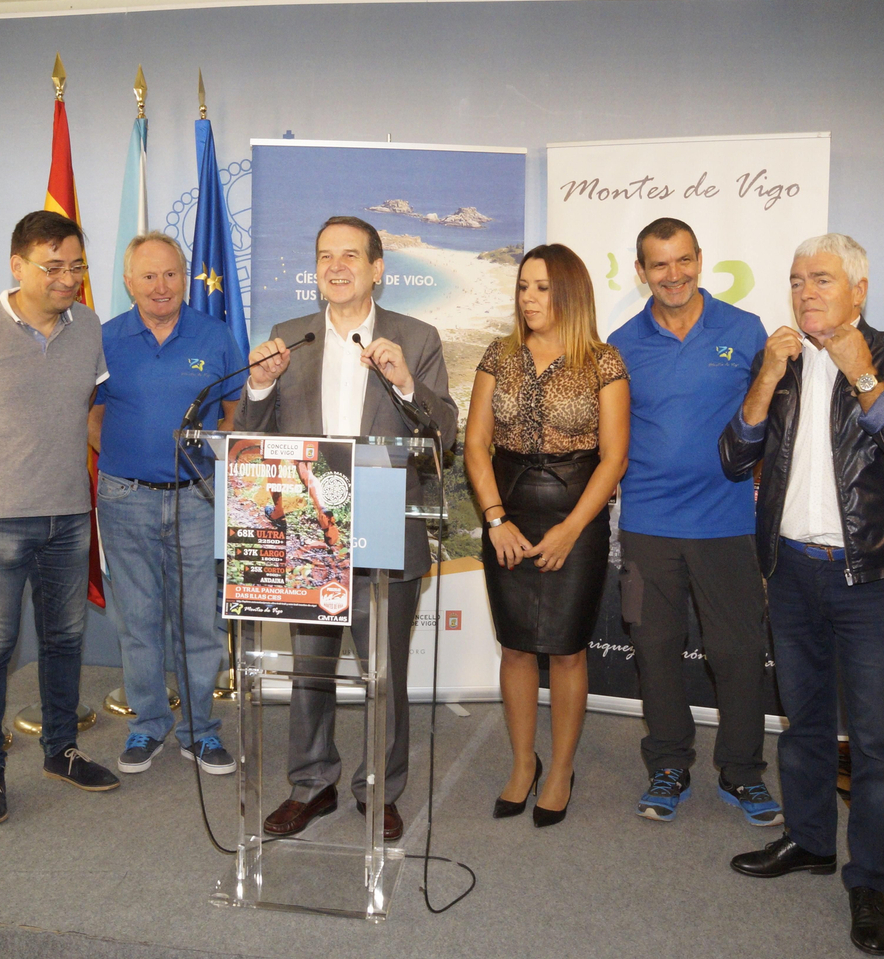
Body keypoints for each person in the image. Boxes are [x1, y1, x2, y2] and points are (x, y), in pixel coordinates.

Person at [720, 234, 884, 956]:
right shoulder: (778, 358)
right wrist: (765, 376)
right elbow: (734, 456)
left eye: (821, 278)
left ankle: (868, 879)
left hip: (871, 578)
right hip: (791, 572)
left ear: (860, 288)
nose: (805, 291)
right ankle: (811, 840)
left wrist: (866, 377)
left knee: (875, 742)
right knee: (805, 721)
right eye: (794, 280)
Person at [238, 215, 458, 843]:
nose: (335, 266)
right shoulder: (289, 338)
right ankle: (311, 784)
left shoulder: (415, 338)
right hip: (306, 524)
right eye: (324, 256)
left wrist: (405, 384)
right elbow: (255, 437)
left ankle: (380, 789)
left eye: (350, 256)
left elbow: (440, 434)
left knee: (383, 671)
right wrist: (258, 384)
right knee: (310, 669)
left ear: (377, 269)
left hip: (386, 523)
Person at [0, 210, 121, 827]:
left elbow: (88, 415)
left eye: (77, 266)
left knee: (64, 640)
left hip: (67, 514)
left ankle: (61, 750)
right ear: (18, 266)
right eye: (53, 267)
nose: (68, 279)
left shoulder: (87, 327)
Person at [606, 218, 779, 827]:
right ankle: (669, 767)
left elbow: (773, 424)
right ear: (641, 272)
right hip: (649, 525)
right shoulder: (620, 344)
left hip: (728, 523)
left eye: (683, 261)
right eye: (659, 264)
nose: (673, 274)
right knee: (654, 650)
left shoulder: (745, 329)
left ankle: (741, 772)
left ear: (700, 260)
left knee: (737, 653)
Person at [465, 244, 628, 827]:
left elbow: (613, 460)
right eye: (523, 287)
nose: (529, 298)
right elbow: (476, 446)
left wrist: (571, 529)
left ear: (570, 293)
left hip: (575, 521)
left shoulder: (604, 362)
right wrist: (494, 519)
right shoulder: (497, 355)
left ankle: (560, 769)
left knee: (565, 650)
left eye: (542, 288)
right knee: (514, 646)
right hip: (506, 517)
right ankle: (521, 765)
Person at [88, 233, 247, 777]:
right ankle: (147, 725)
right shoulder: (105, 340)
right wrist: (122, 456)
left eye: (171, 274)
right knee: (137, 620)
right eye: (149, 276)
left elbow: (234, 411)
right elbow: (90, 415)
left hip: (197, 500)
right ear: (129, 282)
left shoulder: (216, 335)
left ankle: (201, 731)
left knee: (199, 620)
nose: (162, 286)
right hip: (124, 498)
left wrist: (213, 464)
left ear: (185, 278)